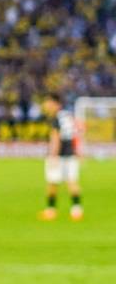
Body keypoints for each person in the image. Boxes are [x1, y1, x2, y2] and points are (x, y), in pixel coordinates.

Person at [41, 93, 83, 221]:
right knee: (72, 181)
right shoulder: (68, 115)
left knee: (52, 182)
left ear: (55, 103)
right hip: (71, 154)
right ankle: (76, 210)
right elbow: (76, 134)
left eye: (48, 102)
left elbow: (56, 138)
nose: (46, 106)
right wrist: (78, 152)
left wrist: (53, 155)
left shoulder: (56, 118)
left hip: (59, 155)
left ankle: (51, 210)